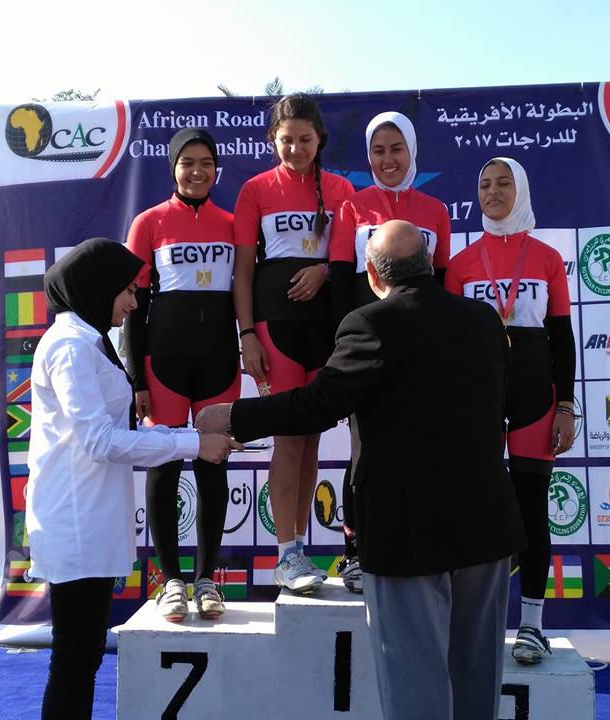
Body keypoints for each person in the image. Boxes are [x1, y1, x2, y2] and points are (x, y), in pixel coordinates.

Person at [197, 220, 524, 720]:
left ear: (372, 274)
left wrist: (234, 415)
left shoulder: (369, 324)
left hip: (408, 529)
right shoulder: (483, 319)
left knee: (416, 688)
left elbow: (316, 406)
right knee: (477, 683)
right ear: (429, 264)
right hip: (487, 525)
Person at [25, 238, 238, 719]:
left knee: (83, 656)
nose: (133, 303)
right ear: (96, 287)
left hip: (91, 517)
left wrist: (193, 435)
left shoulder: (88, 340)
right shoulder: (71, 348)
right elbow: (99, 441)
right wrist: (192, 446)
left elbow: (117, 430)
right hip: (75, 521)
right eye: (126, 291)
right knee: (75, 658)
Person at [445, 157, 577, 665]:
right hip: (477, 398)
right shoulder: (461, 262)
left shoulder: (546, 258)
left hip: (534, 396)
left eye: (503, 183)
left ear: (520, 189)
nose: (493, 192)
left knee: (531, 507)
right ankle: (467, 622)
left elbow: (562, 339)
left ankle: (532, 624)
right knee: (471, 505)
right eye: (484, 184)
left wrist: (565, 405)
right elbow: (450, 344)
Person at [232, 93, 353, 592]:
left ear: (319, 139)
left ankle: (300, 551)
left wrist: (324, 270)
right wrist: (246, 335)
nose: (296, 149)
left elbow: (348, 261)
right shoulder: (256, 189)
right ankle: (285, 553)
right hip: (274, 326)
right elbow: (242, 271)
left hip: (325, 327)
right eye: (286, 140)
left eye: (305, 140)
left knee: (312, 439)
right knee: (288, 437)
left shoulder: (341, 188)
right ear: (272, 140)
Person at [329, 111, 451, 592]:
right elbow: (341, 279)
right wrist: (344, 344)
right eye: (378, 151)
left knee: (418, 447)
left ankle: (412, 546)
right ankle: (355, 552)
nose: (387, 159)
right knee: (363, 452)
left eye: (396, 149)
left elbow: (442, 283)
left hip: (422, 349)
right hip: (369, 345)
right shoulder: (351, 207)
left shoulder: (435, 209)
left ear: (412, 151)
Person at [124, 128, 240, 623]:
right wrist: (136, 377)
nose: (197, 171)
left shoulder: (233, 223)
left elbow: (245, 291)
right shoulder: (149, 222)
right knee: (165, 466)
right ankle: (171, 580)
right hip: (164, 365)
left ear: (216, 169)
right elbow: (133, 306)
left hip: (220, 362)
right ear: (173, 168)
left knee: (214, 466)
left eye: (206, 163)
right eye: (187, 162)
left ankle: (207, 578)